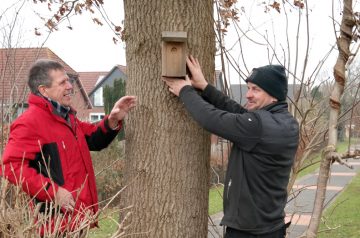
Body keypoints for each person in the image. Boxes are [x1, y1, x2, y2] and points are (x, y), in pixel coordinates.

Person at [163, 55, 299, 237]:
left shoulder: (257, 126)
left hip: (249, 232)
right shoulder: (286, 122)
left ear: (273, 95)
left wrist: (185, 90)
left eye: (256, 90)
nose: (248, 94)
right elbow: (240, 113)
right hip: (272, 227)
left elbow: (211, 119)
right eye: (249, 88)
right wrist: (205, 87)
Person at [1, 59, 136, 235]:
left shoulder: (68, 118)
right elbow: (11, 167)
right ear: (43, 90)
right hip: (54, 226)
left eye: (69, 81)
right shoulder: (29, 122)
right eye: (62, 82)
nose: (70, 86)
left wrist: (112, 120)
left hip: (78, 220)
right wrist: (54, 192)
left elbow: (94, 138)